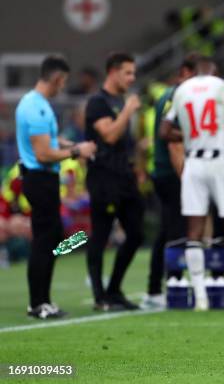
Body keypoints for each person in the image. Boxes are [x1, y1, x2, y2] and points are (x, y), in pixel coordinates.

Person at [162, 58, 224, 311]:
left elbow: (165, 132)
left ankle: (199, 298)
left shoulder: (182, 90)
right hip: (220, 160)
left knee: (194, 231)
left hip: (194, 163)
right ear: (214, 70)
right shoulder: (221, 85)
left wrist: (189, 136)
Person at [16, 55, 96, 318]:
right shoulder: (35, 108)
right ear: (57, 78)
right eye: (63, 81)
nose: (63, 86)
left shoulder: (36, 104)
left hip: (42, 179)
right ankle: (38, 302)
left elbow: (50, 141)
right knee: (45, 242)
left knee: (52, 239)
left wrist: (71, 146)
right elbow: (42, 154)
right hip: (40, 178)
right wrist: (75, 150)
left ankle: (42, 300)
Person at [141, 54, 204, 309]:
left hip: (165, 172)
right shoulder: (178, 96)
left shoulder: (170, 95)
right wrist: (186, 178)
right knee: (173, 230)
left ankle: (162, 286)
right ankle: (165, 286)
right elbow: (172, 142)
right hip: (172, 173)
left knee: (170, 229)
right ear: (185, 72)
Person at [85, 52, 143, 311]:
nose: (132, 78)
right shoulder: (98, 102)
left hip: (124, 177)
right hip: (104, 178)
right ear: (113, 72)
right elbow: (108, 136)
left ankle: (114, 289)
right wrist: (129, 110)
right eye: (128, 72)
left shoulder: (118, 101)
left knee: (136, 234)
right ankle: (100, 296)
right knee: (101, 235)